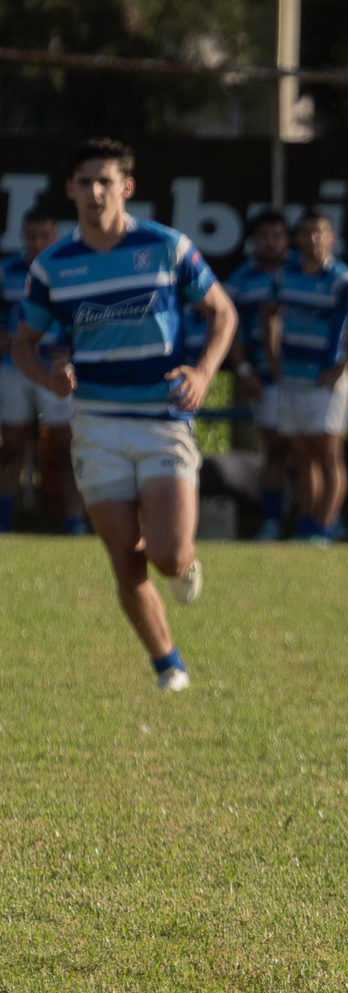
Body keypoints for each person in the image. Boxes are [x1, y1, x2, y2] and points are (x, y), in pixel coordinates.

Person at [12, 139, 237, 691]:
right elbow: (23, 344)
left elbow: (223, 311)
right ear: (70, 189)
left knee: (164, 555)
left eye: (105, 181)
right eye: (84, 181)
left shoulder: (167, 247)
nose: (95, 191)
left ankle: (185, 563)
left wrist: (204, 372)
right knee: (126, 561)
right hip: (96, 427)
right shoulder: (52, 267)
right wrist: (48, 378)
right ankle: (169, 667)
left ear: (126, 188)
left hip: (162, 420)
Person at [261, 211, 348, 544]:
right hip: (292, 379)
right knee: (301, 456)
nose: (313, 238)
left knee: (328, 454)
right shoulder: (284, 276)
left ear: (332, 238)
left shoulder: (343, 278)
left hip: (326, 382)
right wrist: (273, 359)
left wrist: (345, 364)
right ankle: (306, 525)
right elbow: (268, 315)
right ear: (297, 239)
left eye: (319, 232)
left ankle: (325, 526)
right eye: (306, 233)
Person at [1, 204, 83, 535]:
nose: (37, 243)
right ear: (22, 235)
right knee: (11, 449)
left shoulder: (71, 269)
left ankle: (76, 522)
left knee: (66, 448)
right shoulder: (7, 270)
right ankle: (4, 522)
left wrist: (75, 348)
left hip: (57, 371)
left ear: (55, 236)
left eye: (43, 236)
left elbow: (85, 318)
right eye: (31, 236)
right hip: (12, 369)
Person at [224, 210, 295, 540]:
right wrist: (244, 370)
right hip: (265, 381)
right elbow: (227, 328)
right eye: (264, 236)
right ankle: (271, 520)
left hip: (312, 380)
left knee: (314, 452)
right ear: (253, 241)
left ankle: (317, 522)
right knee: (276, 450)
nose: (271, 242)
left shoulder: (304, 272)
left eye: (277, 236)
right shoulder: (241, 279)